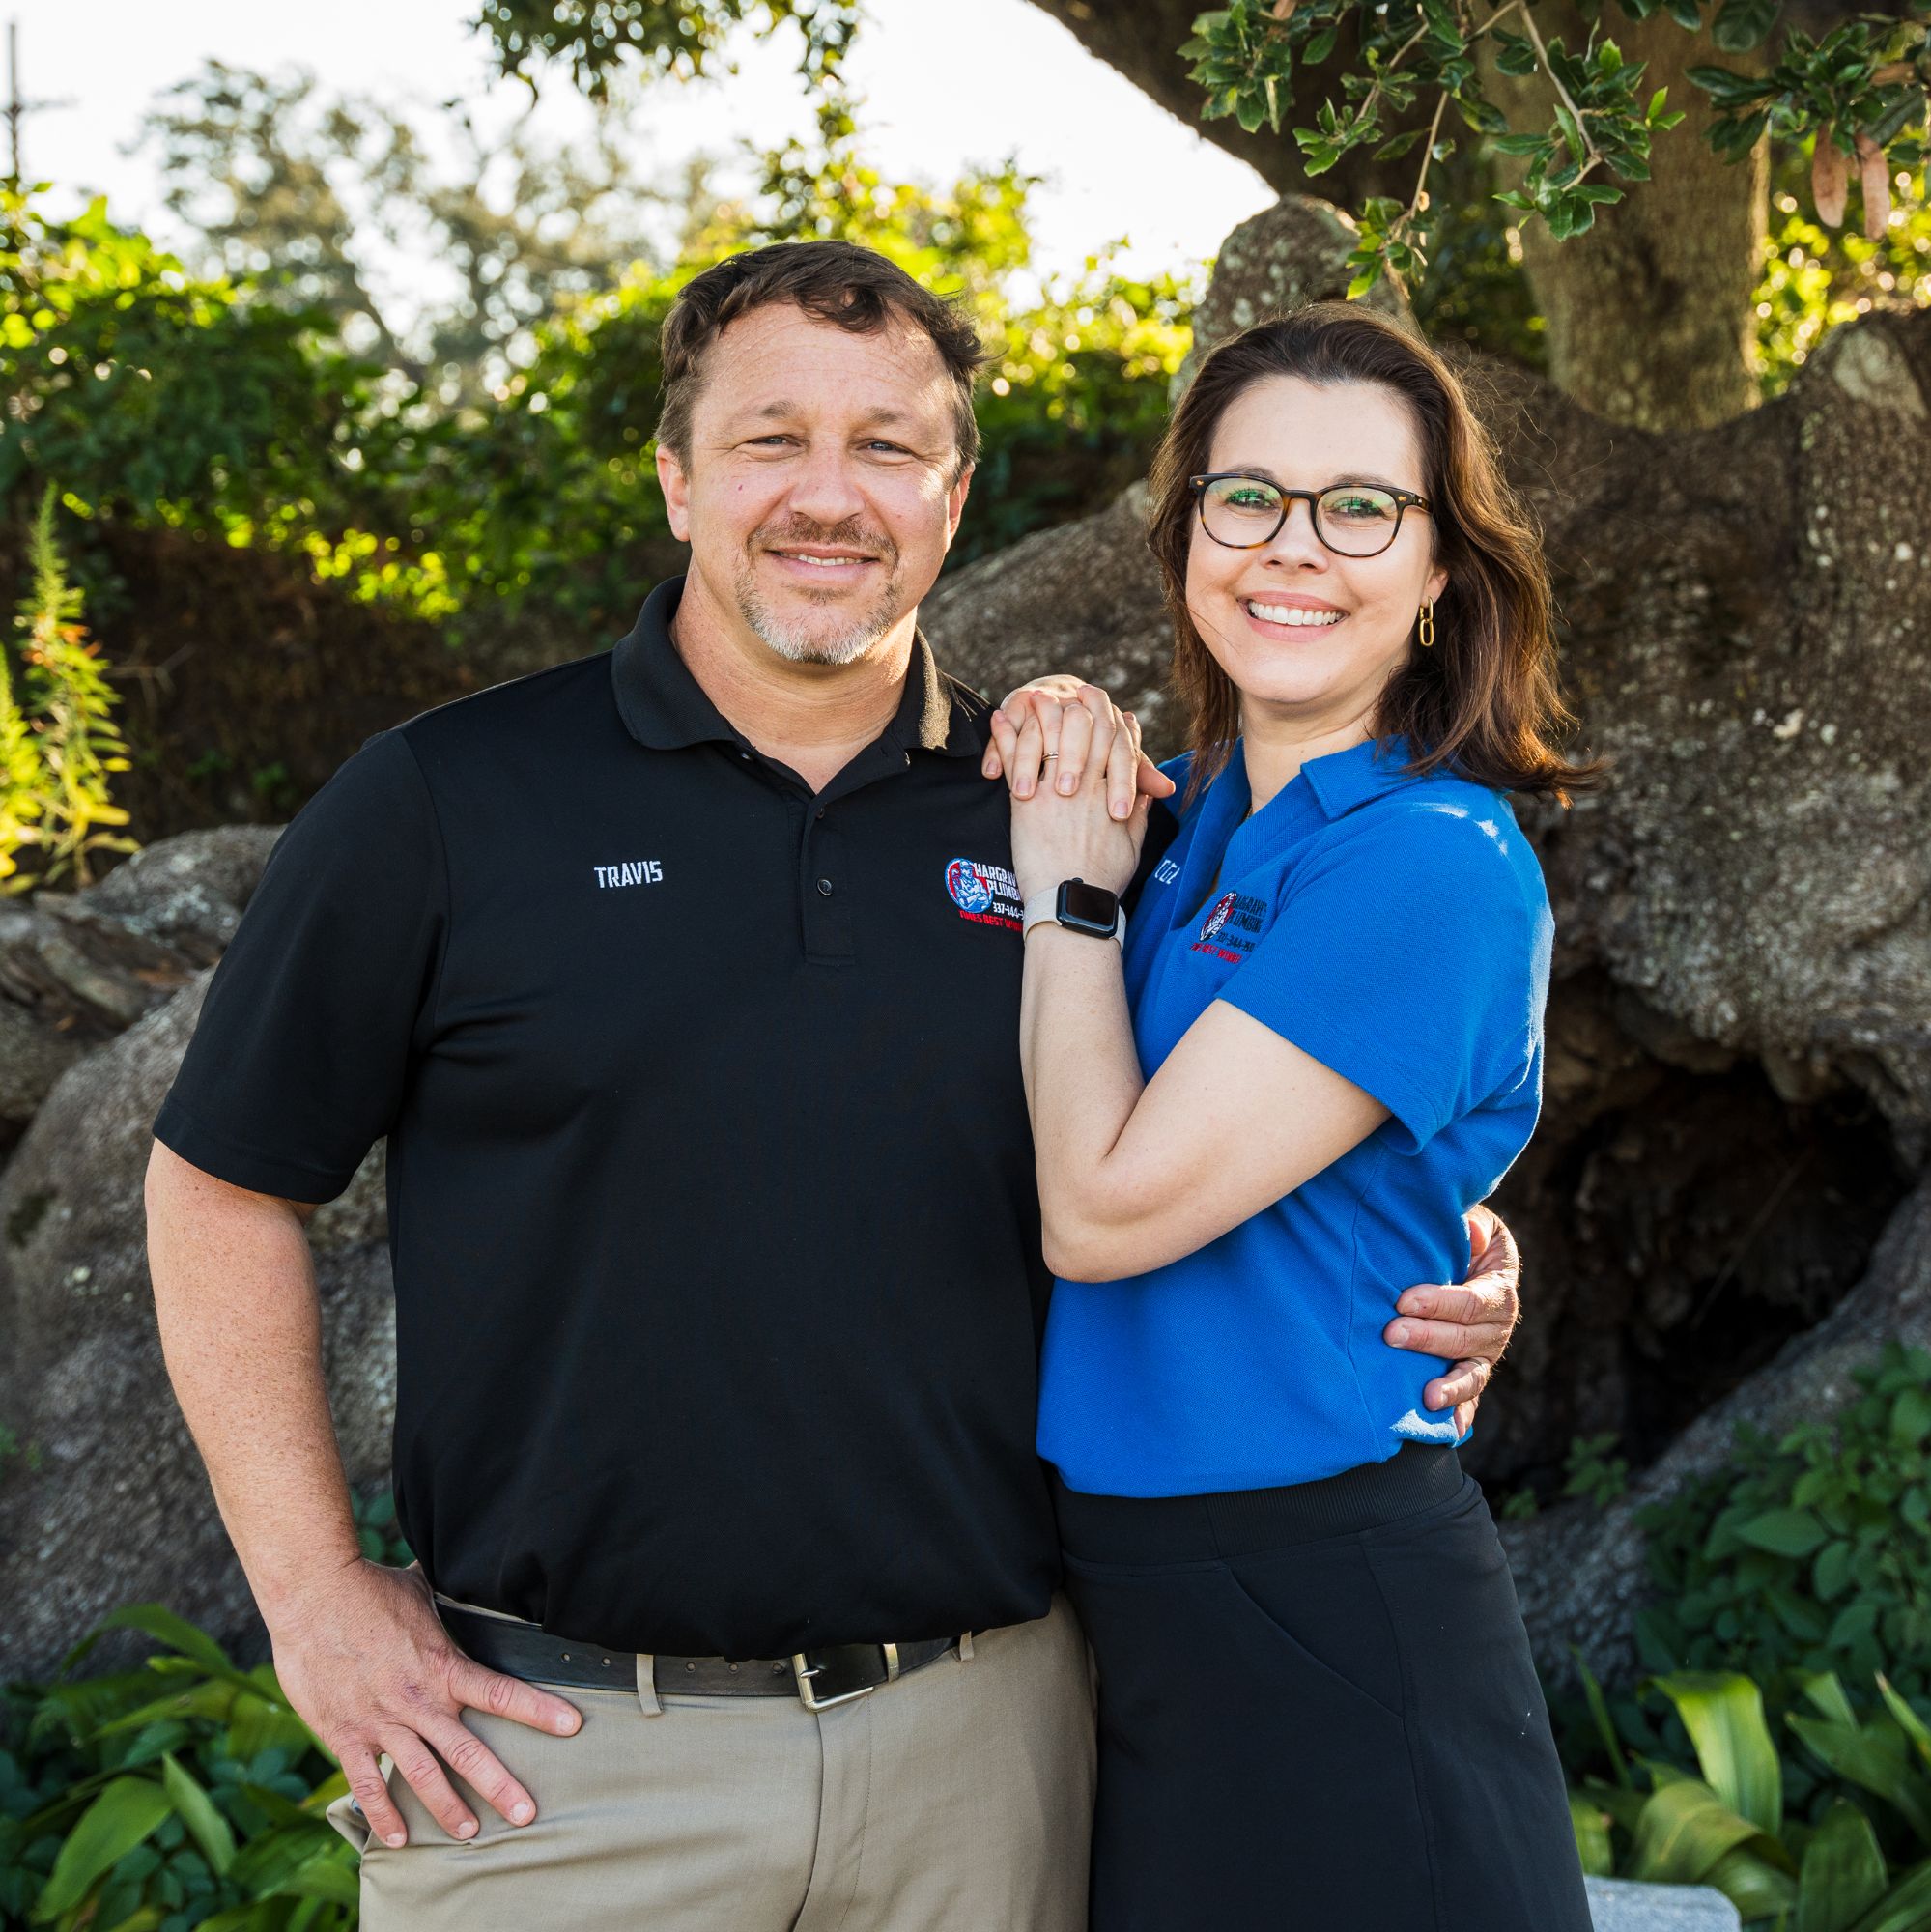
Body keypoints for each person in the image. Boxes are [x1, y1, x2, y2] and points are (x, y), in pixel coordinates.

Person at [144, 243, 1522, 1932]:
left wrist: (1456, 1248)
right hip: (562, 1773)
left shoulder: (1080, 820)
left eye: (886, 446)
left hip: (994, 1760)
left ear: (954, 499)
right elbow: (218, 1184)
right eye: (768, 440)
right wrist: (308, 1594)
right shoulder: (446, 803)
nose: (827, 495)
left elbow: (1289, 1104)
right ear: (675, 479)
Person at [994, 303, 1598, 1930]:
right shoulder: (1186, 821)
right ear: (1188, 534)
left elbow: (1102, 1215)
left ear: (1441, 570)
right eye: (1247, 495)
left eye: (1362, 509)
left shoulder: (1429, 860)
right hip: (1125, 1595)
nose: (1294, 546)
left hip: (1324, 1599)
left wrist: (1068, 900)